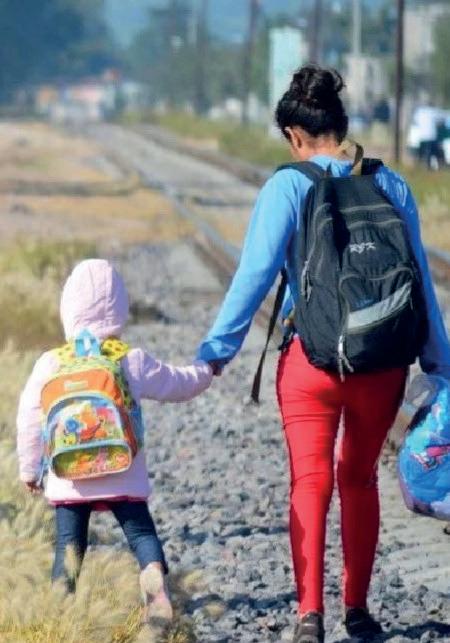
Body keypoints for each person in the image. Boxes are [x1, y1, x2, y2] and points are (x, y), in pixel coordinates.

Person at [198, 66, 450, 642]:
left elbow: (253, 277)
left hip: (310, 364)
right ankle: (357, 610)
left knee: (310, 482)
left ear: (294, 135)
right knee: (359, 479)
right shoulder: (392, 184)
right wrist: (440, 364)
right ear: (341, 124)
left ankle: (309, 615)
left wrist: (215, 353)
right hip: (382, 365)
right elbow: (422, 284)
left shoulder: (287, 186)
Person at [17, 259, 212, 624]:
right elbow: (178, 384)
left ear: (68, 309)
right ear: (120, 309)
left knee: (68, 547)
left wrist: (29, 470)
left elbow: (29, 418)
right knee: (140, 533)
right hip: (123, 472)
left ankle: (59, 608)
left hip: (69, 476)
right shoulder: (130, 360)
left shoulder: (51, 363)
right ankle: (152, 574)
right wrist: (207, 369)